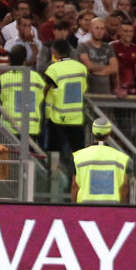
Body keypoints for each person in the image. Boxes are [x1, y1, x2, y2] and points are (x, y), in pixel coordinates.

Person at [44, 39, 88, 171]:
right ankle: (78, 177)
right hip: (76, 116)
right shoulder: (81, 67)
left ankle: (54, 177)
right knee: (78, 150)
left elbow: (46, 89)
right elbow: (84, 88)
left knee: (55, 149)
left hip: (58, 117)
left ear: (55, 52)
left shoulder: (53, 68)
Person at [71, 118, 130, 204]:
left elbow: (74, 185)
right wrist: (119, 204)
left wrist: (74, 205)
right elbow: (124, 185)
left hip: (85, 207)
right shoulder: (120, 157)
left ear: (93, 132)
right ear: (109, 133)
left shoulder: (80, 156)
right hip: (111, 207)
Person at [0, 46, 45, 139]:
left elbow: (0, 98)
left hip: (9, 126)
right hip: (31, 125)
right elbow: (42, 96)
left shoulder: (2, 78)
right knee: (30, 153)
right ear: (25, 58)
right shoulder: (36, 77)